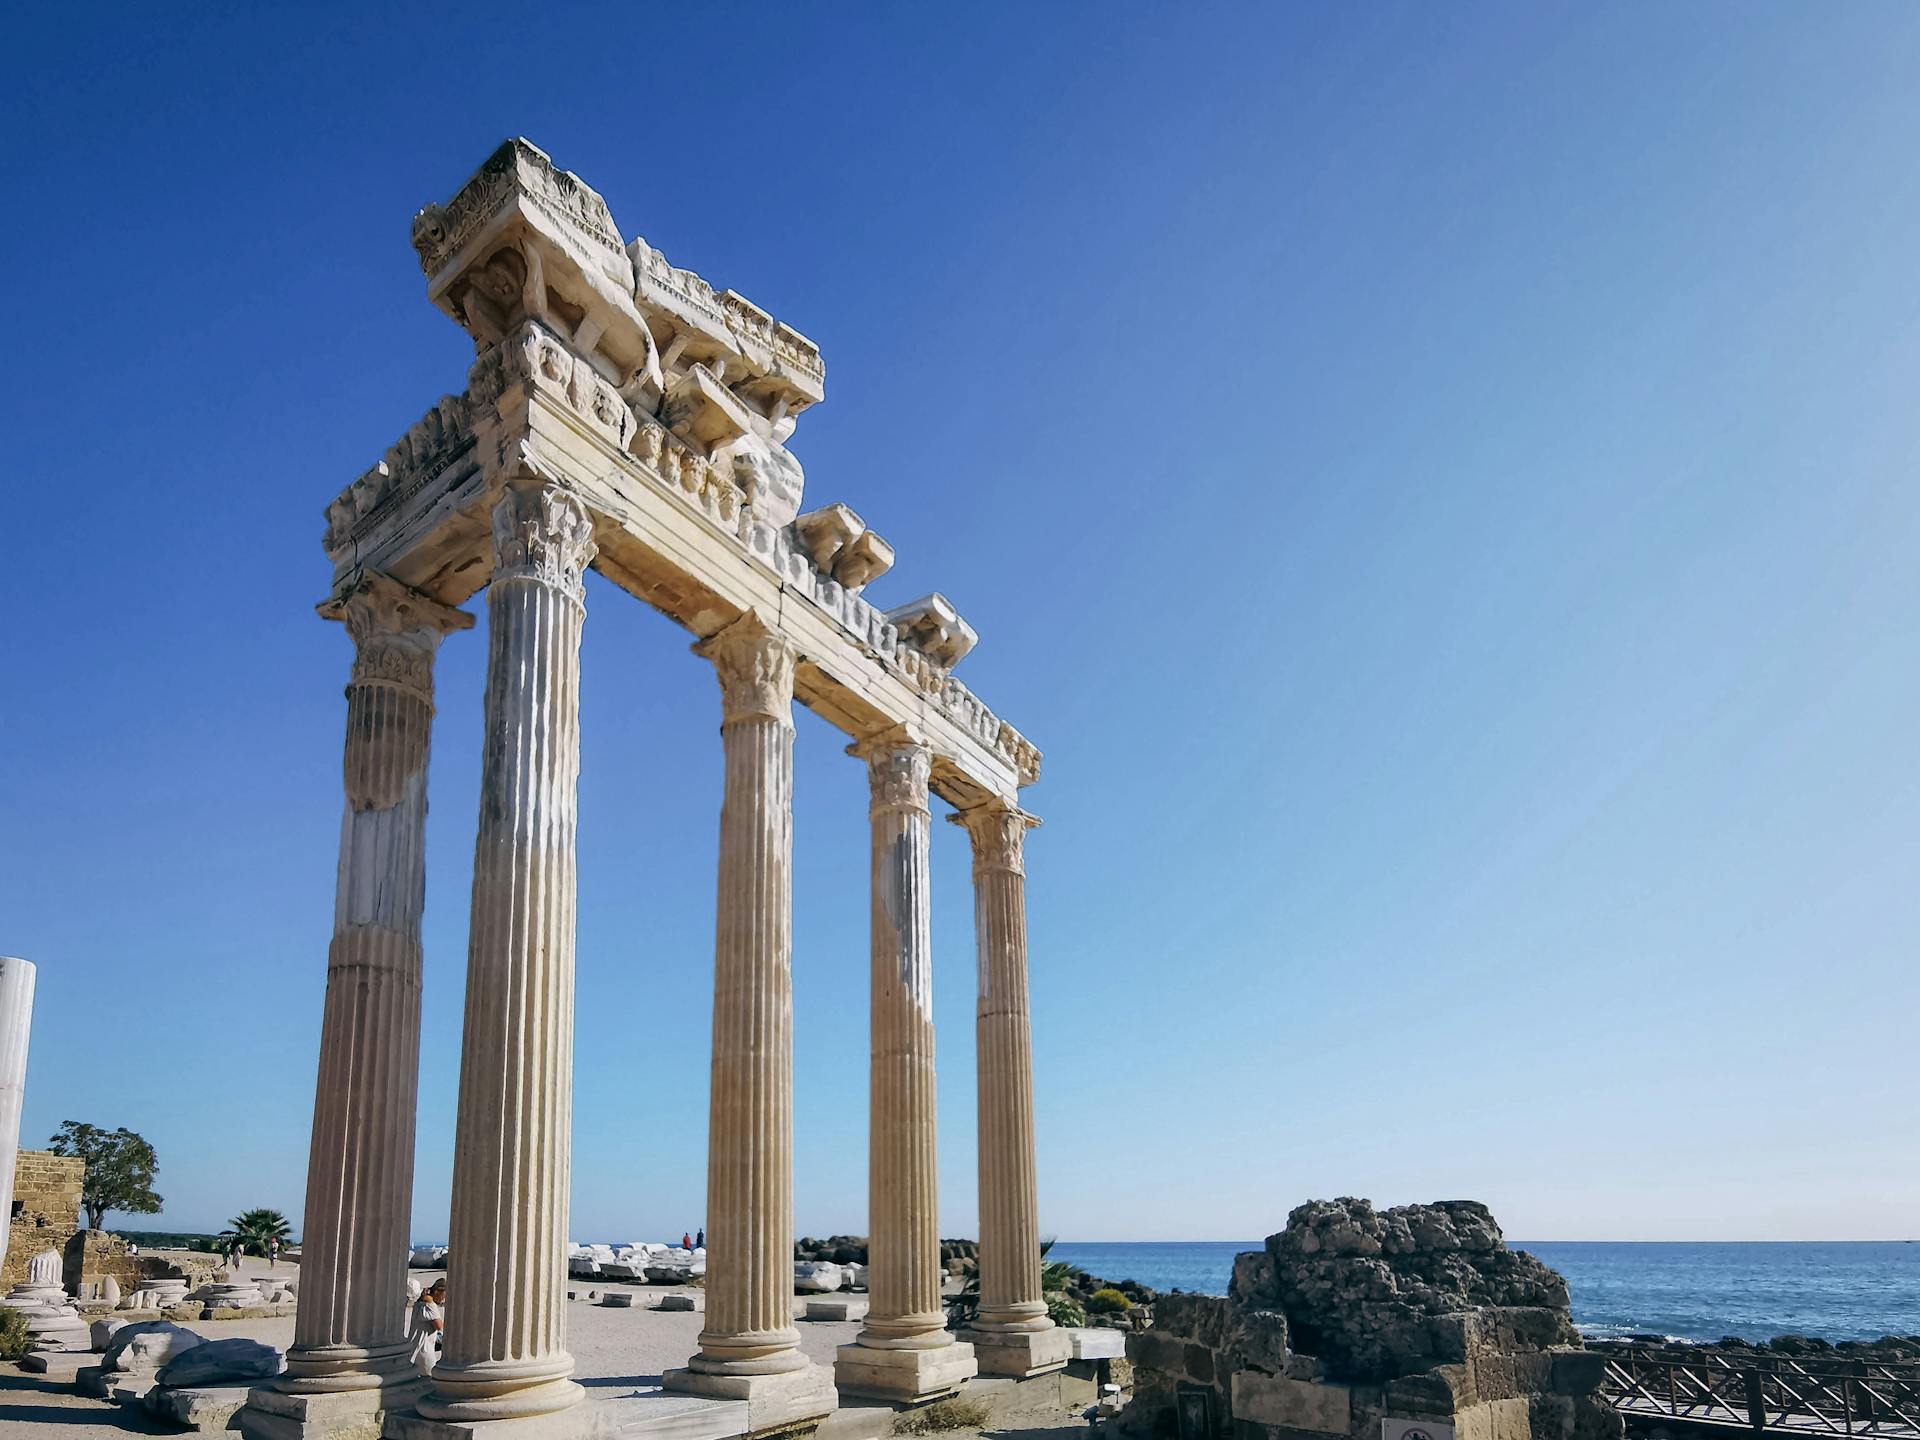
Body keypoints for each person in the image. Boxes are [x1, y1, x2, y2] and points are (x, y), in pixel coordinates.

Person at [410, 1279, 446, 1377]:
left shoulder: (420, 1302)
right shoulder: (430, 1304)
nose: (443, 1299)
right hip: (424, 1349)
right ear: (437, 1291)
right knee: (431, 1377)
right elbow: (439, 1326)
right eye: (443, 1295)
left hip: (414, 1346)